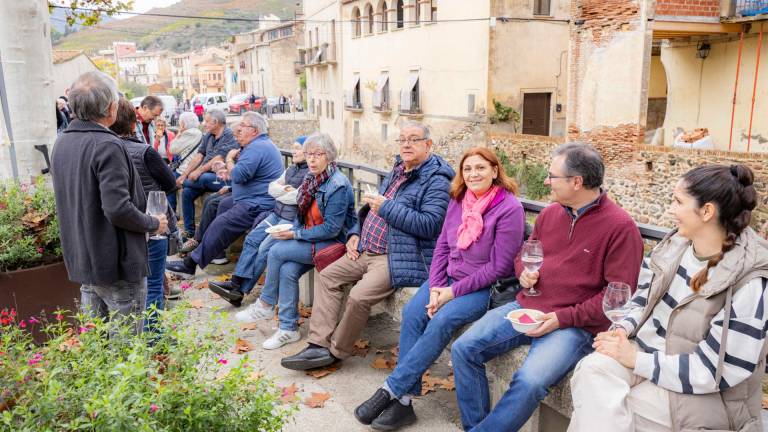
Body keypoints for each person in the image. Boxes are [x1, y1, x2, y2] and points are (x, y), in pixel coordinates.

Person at [449, 142, 644, 432]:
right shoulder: (551, 213)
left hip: (573, 326)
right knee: (463, 349)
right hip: (526, 307)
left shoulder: (621, 228)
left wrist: (561, 319)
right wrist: (523, 274)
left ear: (576, 182)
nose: (546, 181)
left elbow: (615, 298)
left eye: (552, 176)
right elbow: (524, 255)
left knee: (530, 381)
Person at [568, 164, 768, 432]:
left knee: (609, 408)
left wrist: (636, 360)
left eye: (677, 202)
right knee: (590, 371)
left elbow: (714, 372)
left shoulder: (749, 279)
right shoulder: (675, 245)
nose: (670, 210)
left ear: (707, 211)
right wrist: (623, 328)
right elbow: (643, 296)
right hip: (650, 355)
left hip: (704, 391)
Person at [354, 147, 526, 430]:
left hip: (480, 287)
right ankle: (406, 401)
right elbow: (443, 247)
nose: (473, 174)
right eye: (468, 169)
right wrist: (435, 287)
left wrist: (451, 293)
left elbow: (497, 267)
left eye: (481, 168)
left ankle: (391, 390)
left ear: (495, 171)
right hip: (445, 278)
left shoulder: (510, 208)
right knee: (413, 313)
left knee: (441, 320)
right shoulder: (458, 200)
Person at [281, 121, 454, 370]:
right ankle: (317, 345)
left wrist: (386, 207)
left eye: (414, 139)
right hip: (365, 248)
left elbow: (430, 225)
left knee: (359, 296)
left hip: (395, 256)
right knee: (328, 275)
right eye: (402, 138)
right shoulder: (399, 168)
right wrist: (356, 234)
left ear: (428, 145)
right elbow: (370, 211)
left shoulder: (436, 180)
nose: (406, 144)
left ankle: (335, 351)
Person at [50, 71, 168, 334]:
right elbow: (117, 208)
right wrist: (153, 223)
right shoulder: (107, 145)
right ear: (110, 107)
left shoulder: (62, 142)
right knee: (126, 349)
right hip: (116, 264)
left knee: (98, 345)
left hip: (84, 260)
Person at [233, 133, 357, 350]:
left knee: (277, 251)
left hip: (334, 244)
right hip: (312, 239)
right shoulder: (311, 179)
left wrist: (295, 235)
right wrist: (295, 230)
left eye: (318, 154)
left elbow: (332, 229)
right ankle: (289, 328)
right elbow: (301, 216)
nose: (312, 159)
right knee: (287, 270)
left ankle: (266, 303)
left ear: (329, 156)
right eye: (309, 154)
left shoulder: (337, 184)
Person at [166, 112, 283, 277]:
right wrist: (228, 179)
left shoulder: (257, 147)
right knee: (219, 204)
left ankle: (190, 263)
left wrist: (228, 160)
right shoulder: (257, 145)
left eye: (243, 126)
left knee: (221, 222)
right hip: (250, 198)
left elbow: (239, 175)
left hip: (257, 203)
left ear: (255, 131)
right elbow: (247, 176)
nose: (239, 129)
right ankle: (214, 252)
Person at [209, 136, 309, 306]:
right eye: (293, 147)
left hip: (291, 220)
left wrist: (282, 192)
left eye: (298, 148)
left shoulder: (309, 173)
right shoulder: (291, 169)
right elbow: (272, 188)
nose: (294, 151)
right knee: (252, 239)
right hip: (276, 214)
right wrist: (284, 190)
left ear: (308, 152)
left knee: (264, 249)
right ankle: (235, 283)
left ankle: (239, 291)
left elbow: (297, 197)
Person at [109, 98, 177, 331]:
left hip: (116, 229)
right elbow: (170, 183)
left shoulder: (100, 149)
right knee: (153, 284)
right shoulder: (144, 151)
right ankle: (153, 338)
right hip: (151, 223)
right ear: (132, 124)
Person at [176, 109, 238, 238]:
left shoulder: (229, 135)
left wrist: (197, 171)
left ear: (215, 122)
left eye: (206, 121)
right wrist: (184, 174)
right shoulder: (208, 135)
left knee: (202, 178)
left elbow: (219, 158)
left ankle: (184, 183)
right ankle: (189, 230)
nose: (203, 123)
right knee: (187, 193)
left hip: (223, 178)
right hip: (208, 178)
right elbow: (199, 156)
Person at [167, 112, 204, 212]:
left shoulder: (189, 133)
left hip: (186, 170)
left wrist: (178, 134)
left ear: (183, 123)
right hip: (192, 168)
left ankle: (171, 213)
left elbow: (172, 149)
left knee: (167, 181)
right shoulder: (197, 132)